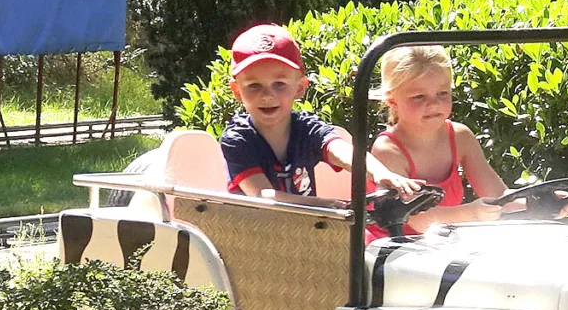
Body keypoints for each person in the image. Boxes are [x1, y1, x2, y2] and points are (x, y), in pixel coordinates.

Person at [216, 23, 411, 200]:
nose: (267, 95)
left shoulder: (306, 129)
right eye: (254, 86)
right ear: (237, 91)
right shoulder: (237, 139)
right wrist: (325, 208)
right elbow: (263, 196)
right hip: (254, 233)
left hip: (307, 233)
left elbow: (341, 151)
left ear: (300, 88)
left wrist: (380, 172)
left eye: (279, 84)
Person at [365, 44, 515, 235]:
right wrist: (472, 213)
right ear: (392, 101)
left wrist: (541, 201)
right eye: (419, 96)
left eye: (442, 93)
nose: (434, 103)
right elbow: (420, 220)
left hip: (440, 247)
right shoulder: (388, 150)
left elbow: (499, 197)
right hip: (390, 251)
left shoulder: (461, 137)